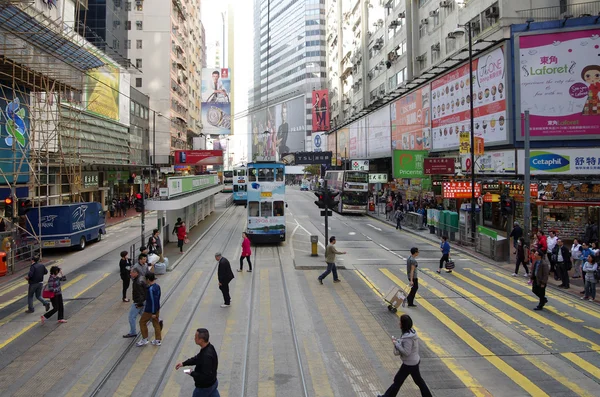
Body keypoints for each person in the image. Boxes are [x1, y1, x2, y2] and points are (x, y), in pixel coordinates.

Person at [378, 314, 432, 397]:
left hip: (409, 363)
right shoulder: (411, 332)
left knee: (398, 381)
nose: (399, 323)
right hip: (413, 362)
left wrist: (396, 343)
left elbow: (406, 352)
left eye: (400, 322)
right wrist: (399, 342)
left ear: (403, 324)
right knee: (417, 381)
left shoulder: (408, 338)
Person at [175, 328, 220, 397]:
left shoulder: (206, 356)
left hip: (204, 388)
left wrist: (191, 373)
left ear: (201, 340)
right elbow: (197, 358)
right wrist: (183, 363)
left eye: (196, 337)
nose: (194, 338)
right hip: (213, 383)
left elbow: (204, 377)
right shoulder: (209, 347)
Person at [136, 272, 162, 346]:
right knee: (156, 323)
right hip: (157, 308)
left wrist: (153, 312)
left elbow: (153, 301)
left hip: (150, 310)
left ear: (147, 279)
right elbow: (158, 297)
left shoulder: (150, 289)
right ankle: (157, 340)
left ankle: (144, 339)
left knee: (142, 322)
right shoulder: (157, 286)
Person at [123, 267, 146, 338]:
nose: (130, 274)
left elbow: (141, 294)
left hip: (138, 302)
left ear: (136, 273)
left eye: (131, 273)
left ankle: (133, 332)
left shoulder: (138, 282)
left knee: (131, 317)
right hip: (141, 301)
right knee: (144, 314)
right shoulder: (139, 279)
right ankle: (157, 321)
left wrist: (139, 303)